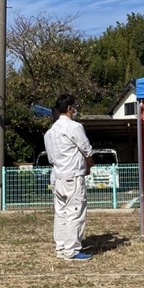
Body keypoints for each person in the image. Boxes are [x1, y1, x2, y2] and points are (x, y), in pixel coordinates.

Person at [44, 93, 94, 261]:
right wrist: (89, 164)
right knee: (75, 212)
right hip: (73, 176)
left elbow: (51, 158)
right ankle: (72, 250)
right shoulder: (74, 127)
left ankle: (61, 247)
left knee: (61, 213)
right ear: (69, 108)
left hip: (57, 176)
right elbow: (86, 149)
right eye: (74, 106)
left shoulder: (50, 132)